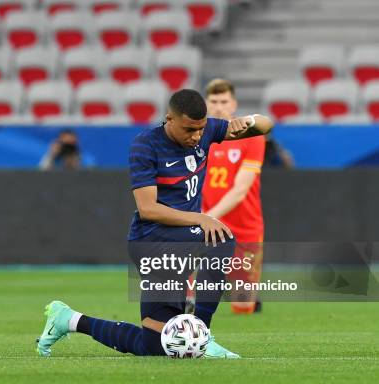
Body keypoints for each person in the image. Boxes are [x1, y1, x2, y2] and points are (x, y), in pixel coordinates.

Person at [36, 89, 273, 358]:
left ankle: (68, 319)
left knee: (153, 346)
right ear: (169, 119)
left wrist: (249, 121)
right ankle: (201, 334)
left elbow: (266, 125)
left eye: (200, 129)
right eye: (189, 130)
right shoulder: (145, 145)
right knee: (221, 238)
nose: (196, 136)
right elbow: (148, 209)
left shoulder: (205, 130)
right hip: (153, 240)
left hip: (182, 240)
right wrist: (201, 217)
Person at [201, 79, 265, 314]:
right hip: (209, 229)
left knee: (243, 306)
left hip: (244, 227)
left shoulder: (251, 137)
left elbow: (240, 191)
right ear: (207, 104)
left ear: (234, 104)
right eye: (214, 101)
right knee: (188, 300)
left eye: (224, 101)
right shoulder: (198, 137)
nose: (219, 106)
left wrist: (206, 217)